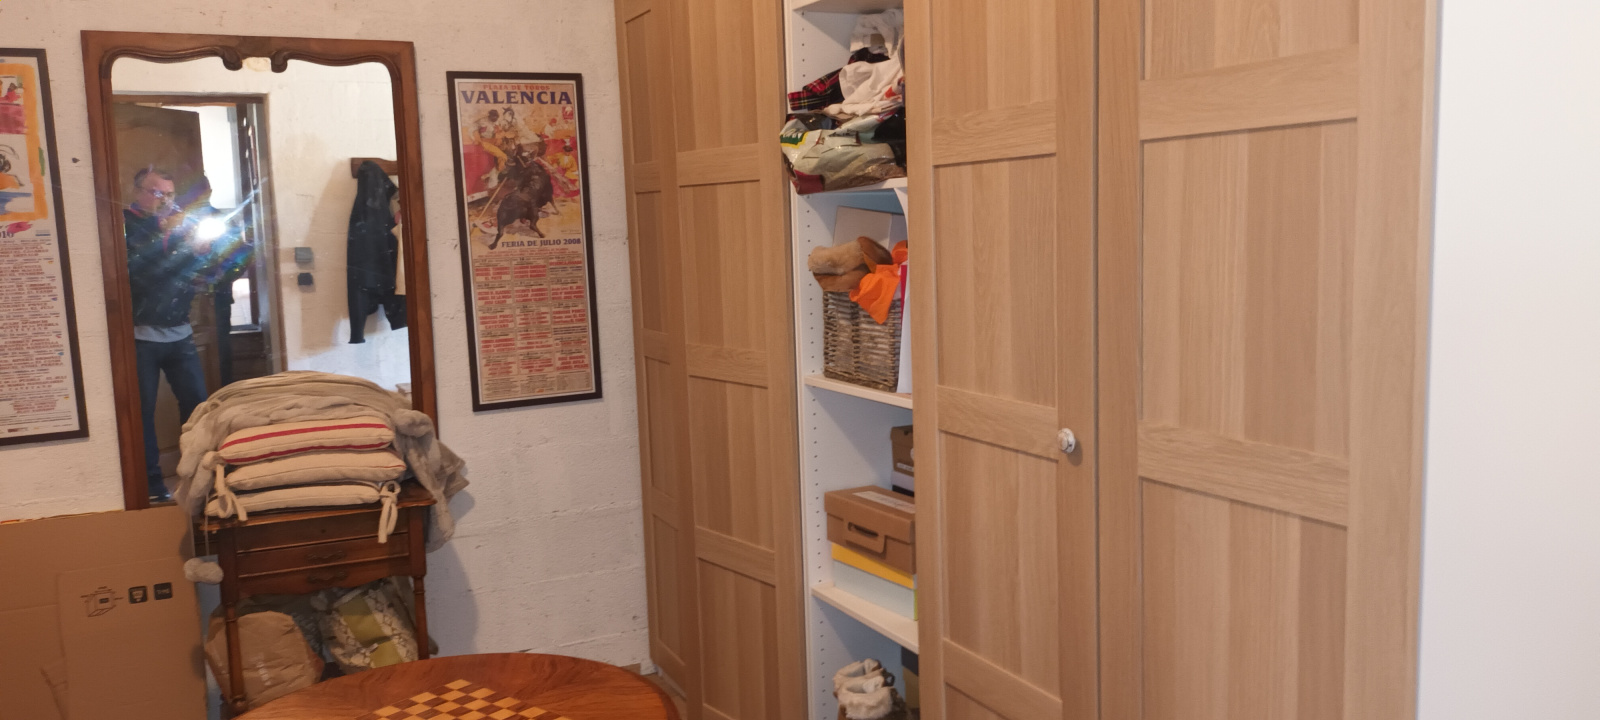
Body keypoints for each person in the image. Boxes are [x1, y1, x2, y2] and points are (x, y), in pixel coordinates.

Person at [126, 167, 215, 502]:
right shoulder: (123, 225)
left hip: (180, 332)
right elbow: (139, 273)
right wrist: (162, 232)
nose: (164, 200)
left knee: (198, 406)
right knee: (141, 411)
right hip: (139, 336)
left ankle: (199, 476)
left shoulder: (182, 227)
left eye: (169, 194)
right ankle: (151, 485)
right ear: (137, 192)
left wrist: (202, 251)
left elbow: (203, 276)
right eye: (156, 192)